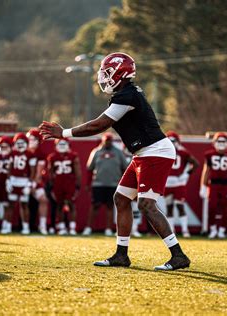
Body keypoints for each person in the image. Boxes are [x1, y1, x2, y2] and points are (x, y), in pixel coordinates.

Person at [39, 52, 190, 271]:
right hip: (144, 154)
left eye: (107, 73)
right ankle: (121, 254)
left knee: (146, 204)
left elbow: (99, 125)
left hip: (155, 152)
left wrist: (65, 133)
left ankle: (178, 255)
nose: (104, 77)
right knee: (120, 198)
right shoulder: (125, 94)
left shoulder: (126, 96)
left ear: (121, 73)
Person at [82, 133, 127, 236]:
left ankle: (108, 229)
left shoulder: (118, 152)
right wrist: (88, 184)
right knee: (95, 205)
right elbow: (90, 169)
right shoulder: (96, 152)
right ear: (103, 140)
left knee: (110, 206)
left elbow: (125, 168)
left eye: (110, 141)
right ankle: (88, 228)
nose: (108, 143)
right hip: (98, 184)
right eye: (106, 140)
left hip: (113, 184)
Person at [199, 132, 227, 239]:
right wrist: (203, 185)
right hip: (213, 184)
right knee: (212, 207)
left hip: (226, 184)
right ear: (214, 143)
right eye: (218, 141)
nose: (221, 144)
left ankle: (222, 230)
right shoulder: (209, 155)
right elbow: (206, 171)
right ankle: (213, 229)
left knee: (225, 207)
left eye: (223, 141)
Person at [164, 131, 199, 237]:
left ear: (178, 142)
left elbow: (196, 163)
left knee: (180, 205)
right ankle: (171, 230)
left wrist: (187, 174)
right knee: (169, 207)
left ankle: (185, 230)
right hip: (167, 183)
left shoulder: (183, 153)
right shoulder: (163, 152)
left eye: (173, 141)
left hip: (179, 183)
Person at [47, 138, 81, 235]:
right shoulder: (52, 157)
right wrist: (51, 185)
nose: (61, 146)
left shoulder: (73, 156)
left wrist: (78, 185)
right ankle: (62, 227)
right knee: (59, 205)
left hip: (69, 183)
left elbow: (78, 172)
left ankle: (72, 227)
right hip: (58, 183)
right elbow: (50, 172)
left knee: (71, 205)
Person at [8, 132, 36, 235]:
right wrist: (8, 181)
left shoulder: (30, 154)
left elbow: (33, 170)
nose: (20, 145)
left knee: (24, 204)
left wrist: (29, 184)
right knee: (10, 204)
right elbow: (9, 168)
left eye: (22, 143)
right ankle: (7, 226)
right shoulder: (12, 153)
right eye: (18, 143)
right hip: (14, 180)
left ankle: (25, 227)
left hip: (24, 181)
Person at [26, 128, 49, 235]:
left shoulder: (40, 154)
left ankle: (43, 226)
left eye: (33, 139)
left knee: (43, 200)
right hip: (19, 180)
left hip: (33, 181)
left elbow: (39, 172)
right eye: (29, 139)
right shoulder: (21, 151)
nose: (30, 141)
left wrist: (33, 184)